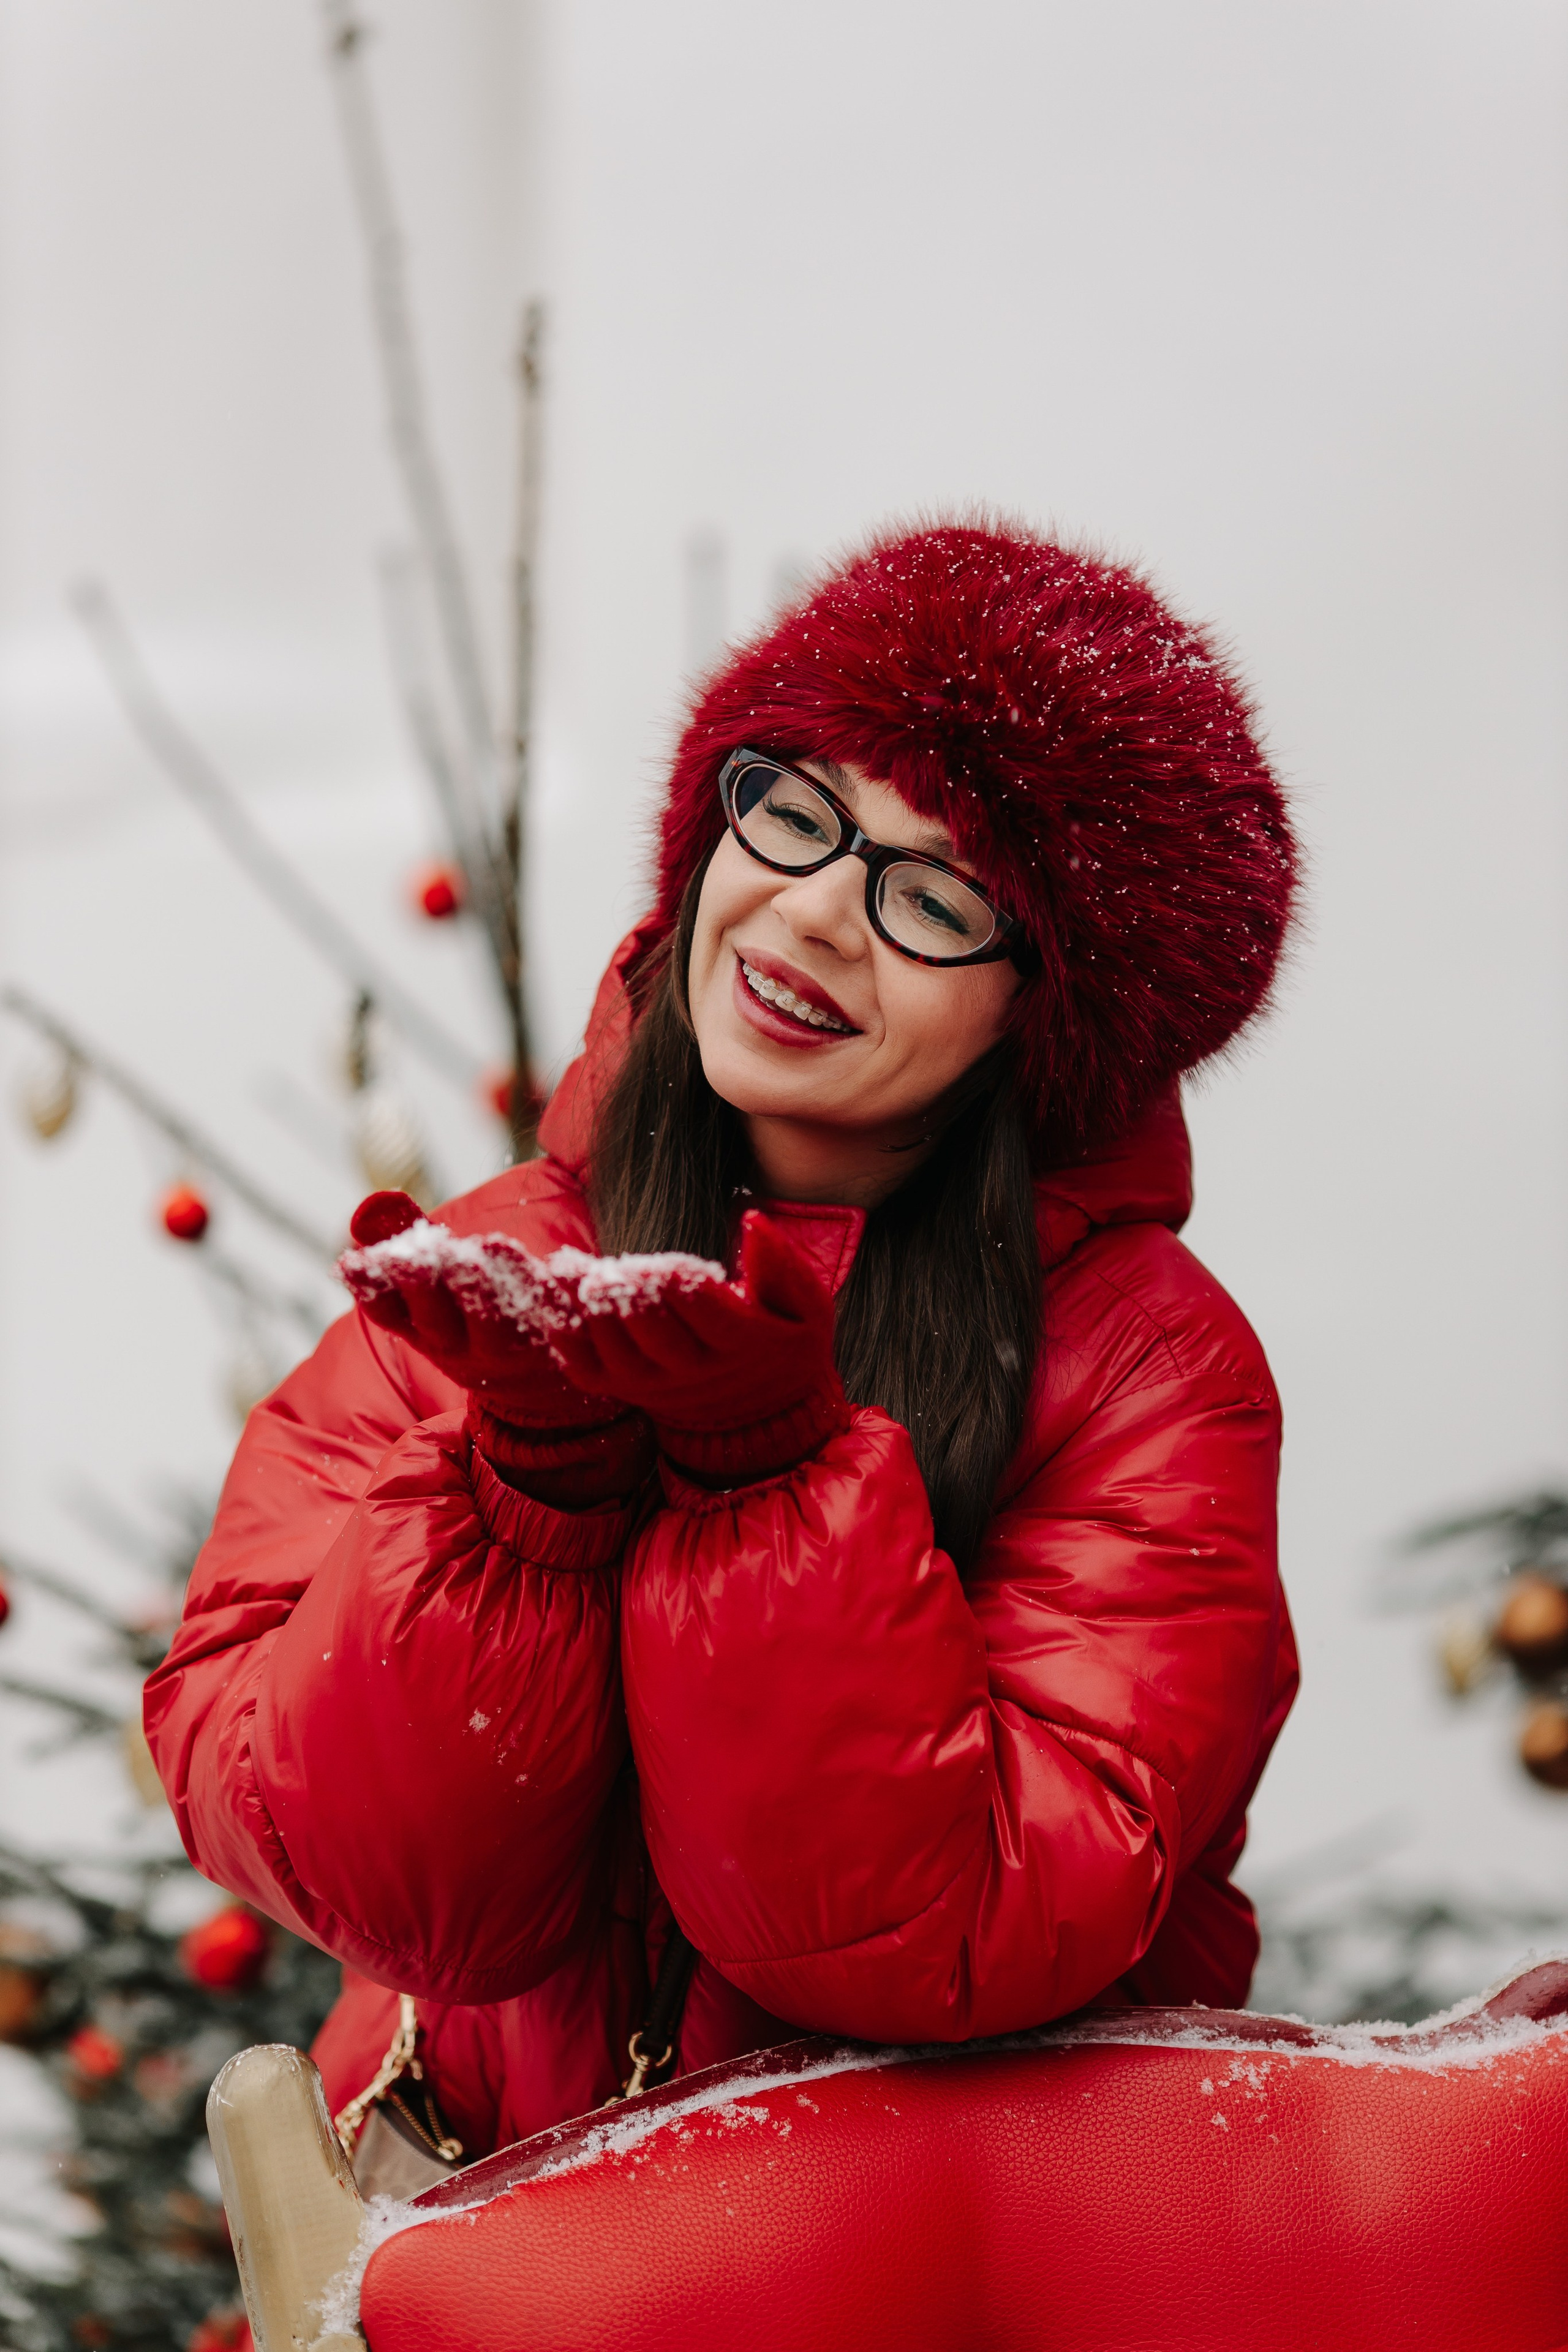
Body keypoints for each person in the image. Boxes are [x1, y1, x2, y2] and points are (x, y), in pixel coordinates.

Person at [145, 520, 1299, 2168]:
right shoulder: (508, 1260)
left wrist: (773, 1492)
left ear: (1042, 1015)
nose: (819, 912)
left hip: (898, 2278)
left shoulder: (1151, 1373)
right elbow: (371, 1880)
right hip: (455, 2254)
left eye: (936, 892)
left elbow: (947, 1938)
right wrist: (524, 1494)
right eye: (798, 810)